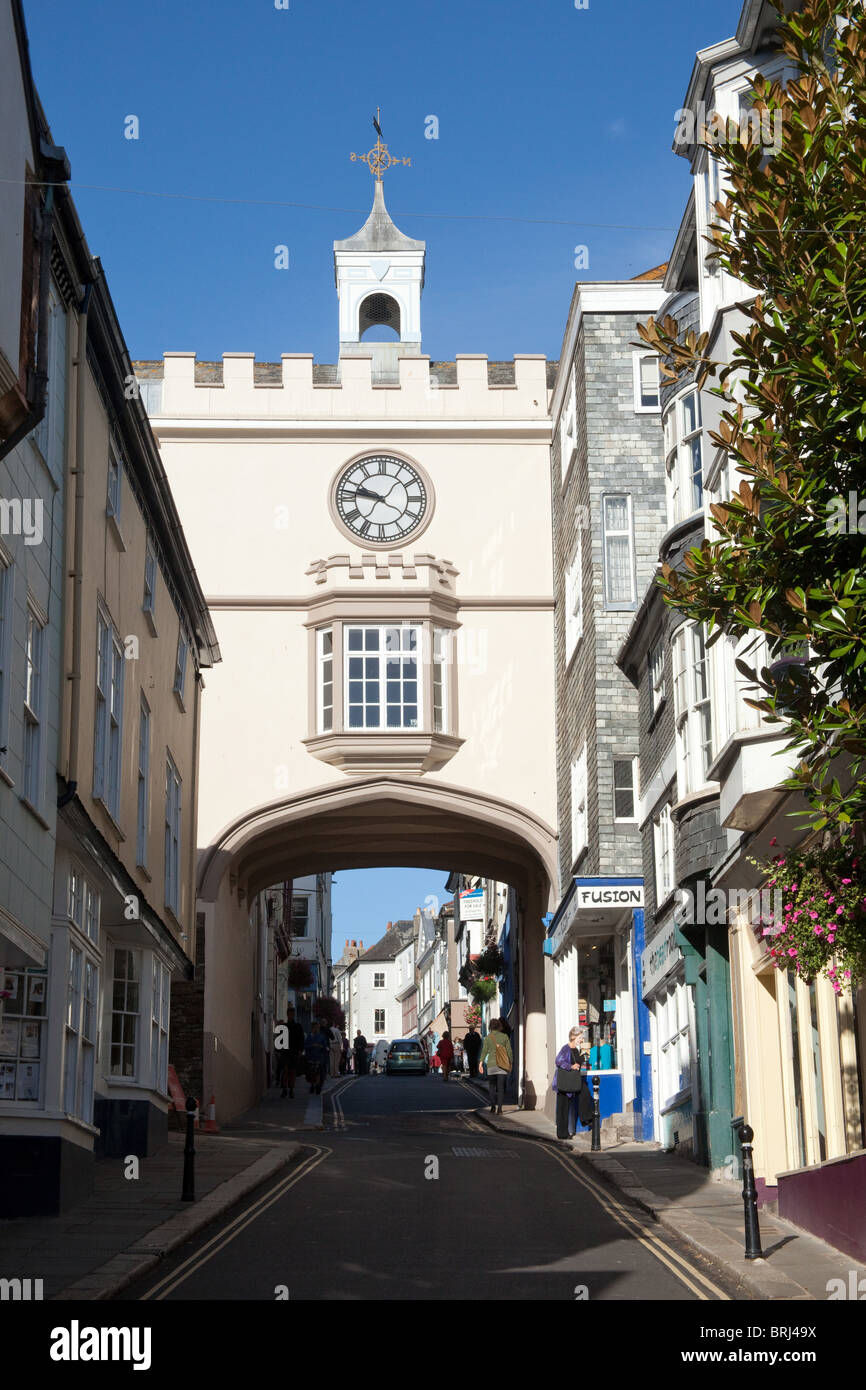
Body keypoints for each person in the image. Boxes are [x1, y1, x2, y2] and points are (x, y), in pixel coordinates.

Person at [553, 1027, 588, 1139]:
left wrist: (583, 1059)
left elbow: (577, 1061)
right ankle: (562, 1133)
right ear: (574, 1037)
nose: (581, 1040)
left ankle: (583, 1120)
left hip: (571, 1082)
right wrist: (571, 1066)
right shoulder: (566, 1048)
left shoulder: (576, 1050)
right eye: (580, 1038)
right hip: (564, 1082)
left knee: (567, 1107)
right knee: (562, 1109)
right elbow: (558, 1061)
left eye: (581, 1038)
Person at [480, 1017, 512, 1115]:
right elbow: (509, 1051)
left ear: (490, 1027)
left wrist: (480, 1063)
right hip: (502, 1065)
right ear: (499, 1026)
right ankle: (500, 1109)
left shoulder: (488, 1038)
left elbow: (484, 1051)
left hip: (491, 1065)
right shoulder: (504, 1037)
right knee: (501, 1088)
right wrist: (511, 1063)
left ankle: (493, 1107)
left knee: (492, 1086)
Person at [280, 1005, 306, 1098]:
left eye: (292, 1014)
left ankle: (291, 1089)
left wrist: (300, 1050)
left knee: (292, 1071)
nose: (291, 1015)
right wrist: (279, 1051)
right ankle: (284, 1089)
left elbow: (301, 1039)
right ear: (287, 1015)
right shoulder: (284, 1026)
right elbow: (280, 1041)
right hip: (285, 1052)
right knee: (285, 1071)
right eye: (290, 1014)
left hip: (294, 1051)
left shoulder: (298, 1026)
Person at [304, 1021, 328, 1095]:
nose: (316, 1029)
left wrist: (322, 1047)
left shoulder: (322, 1036)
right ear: (312, 1028)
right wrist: (312, 1046)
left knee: (318, 1072)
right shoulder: (309, 1036)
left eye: (317, 1027)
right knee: (311, 1073)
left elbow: (325, 1047)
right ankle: (312, 1085)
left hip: (319, 1057)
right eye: (314, 1027)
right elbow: (305, 1046)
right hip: (311, 1057)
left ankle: (317, 1086)